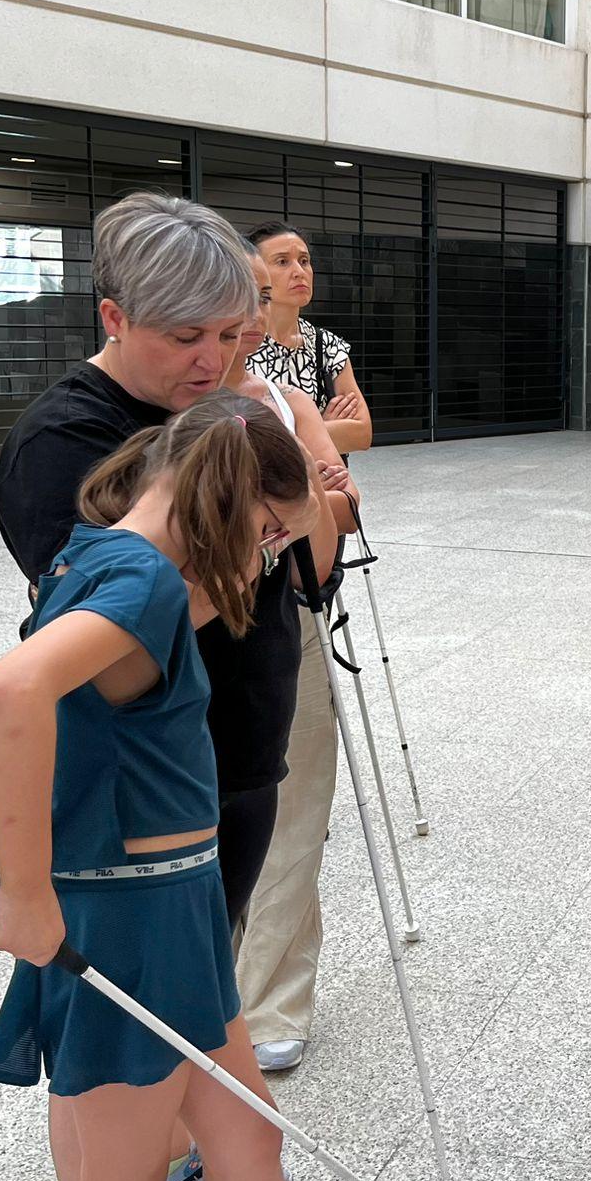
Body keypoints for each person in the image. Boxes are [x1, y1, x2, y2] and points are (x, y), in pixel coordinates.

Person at [0, 192, 312, 1181]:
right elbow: (28, 691)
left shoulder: (190, 460)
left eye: (233, 335)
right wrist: (29, 892)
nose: (217, 360)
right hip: (128, 880)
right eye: (191, 338)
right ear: (115, 315)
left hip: (176, 863)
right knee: (118, 1176)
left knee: (239, 1135)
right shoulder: (119, 545)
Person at [229, 247, 356, 1077]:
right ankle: (217, 991)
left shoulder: (288, 390)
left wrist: (322, 494)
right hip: (187, 641)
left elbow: (334, 512)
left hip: (287, 620)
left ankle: (271, 996)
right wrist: (319, 490)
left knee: (292, 808)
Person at [249, 222, 372, 455]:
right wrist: (319, 425)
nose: (299, 271)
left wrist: (285, 435)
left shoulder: (327, 346)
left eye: (304, 261)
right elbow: (240, 444)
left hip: (327, 483)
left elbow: (362, 434)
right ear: (254, 272)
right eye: (282, 261)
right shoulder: (240, 342)